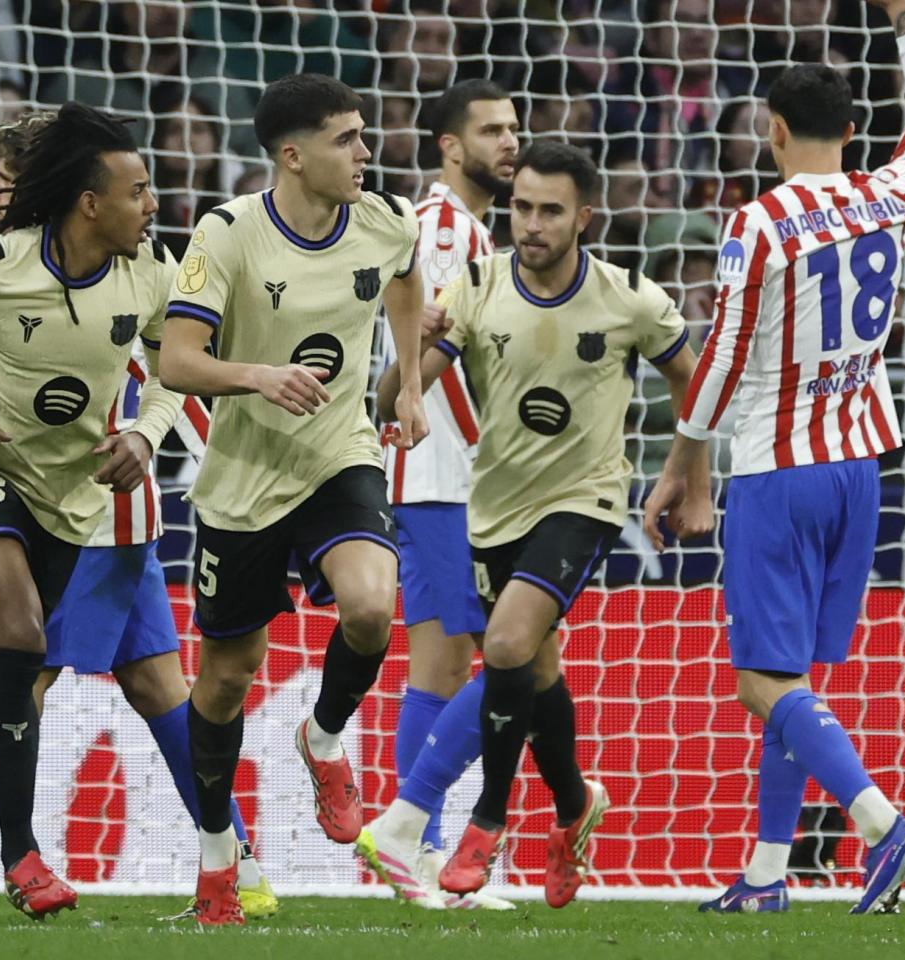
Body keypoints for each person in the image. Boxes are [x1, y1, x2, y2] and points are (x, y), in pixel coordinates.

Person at [0, 108, 275, 922]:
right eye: (139, 190)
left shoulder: (147, 270)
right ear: (87, 202)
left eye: (7, 177)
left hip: (91, 502)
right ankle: (6, 856)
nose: (154, 204)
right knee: (25, 645)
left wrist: (145, 433)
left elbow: (176, 364)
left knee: (22, 677)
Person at [644, 0, 905, 916]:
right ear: (852, 133)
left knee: (758, 680)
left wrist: (681, 459)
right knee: (792, 681)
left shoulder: (760, 224)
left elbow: (725, 357)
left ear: (772, 131)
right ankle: (770, 877)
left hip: (778, 468)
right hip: (861, 467)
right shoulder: (888, 194)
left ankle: (881, 824)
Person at [376, 140, 701, 909]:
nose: (531, 224)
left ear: (584, 217)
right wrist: (408, 350)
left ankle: (486, 823)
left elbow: (696, 382)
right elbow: (402, 390)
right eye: (521, 207)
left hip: (584, 502)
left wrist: (690, 477)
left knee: (506, 645)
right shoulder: (478, 285)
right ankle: (573, 806)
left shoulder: (631, 298)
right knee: (538, 672)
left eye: (550, 211)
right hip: (493, 510)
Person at [157, 73, 429, 926]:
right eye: (346, 139)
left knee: (372, 607)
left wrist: (411, 379)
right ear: (292, 155)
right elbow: (177, 360)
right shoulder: (227, 234)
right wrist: (256, 377)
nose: (364, 151)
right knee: (227, 682)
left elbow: (409, 281)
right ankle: (215, 864)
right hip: (240, 483)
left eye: (363, 134)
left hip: (337, 458)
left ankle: (323, 737)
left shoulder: (387, 220)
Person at [357, 79, 519, 911]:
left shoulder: (475, 229)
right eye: (491, 130)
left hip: (448, 476)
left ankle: (420, 852)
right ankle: (415, 849)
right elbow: (426, 361)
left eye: (514, 129)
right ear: (449, 146)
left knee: (453, 665)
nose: (509, 143)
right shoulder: (443, 229)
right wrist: (500, 449)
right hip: (443, 476)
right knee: (462, 663)